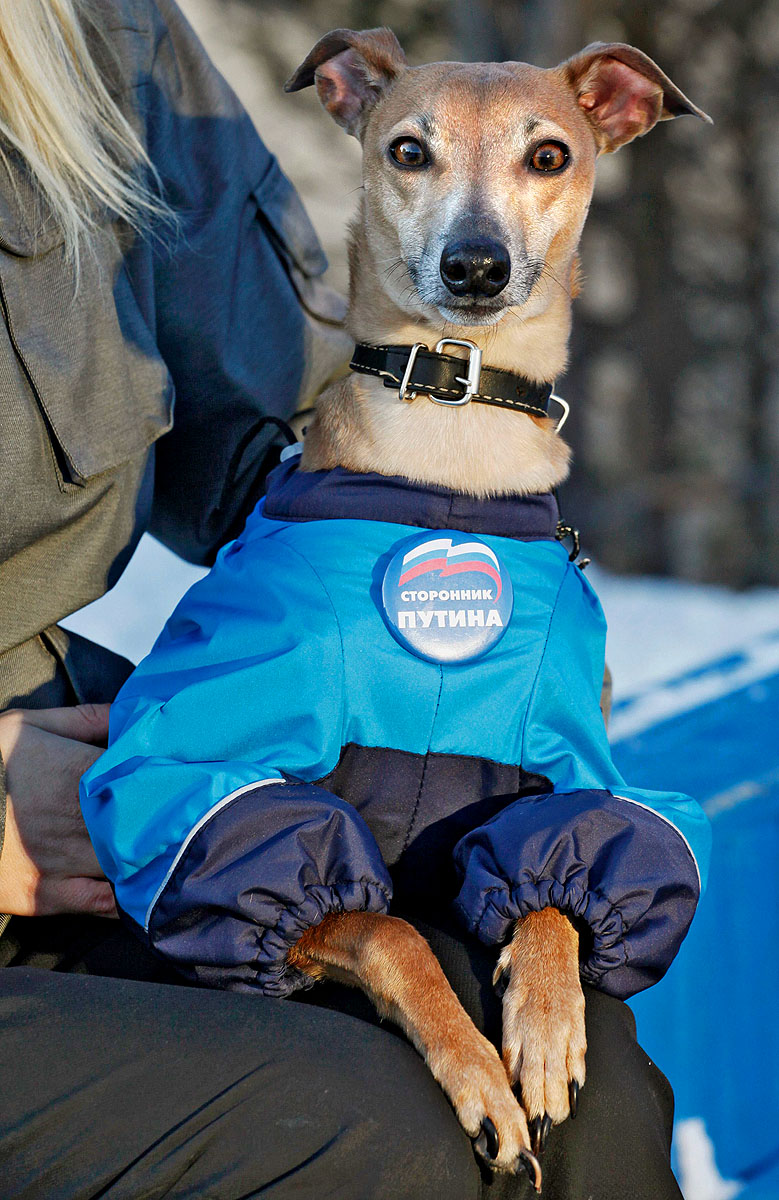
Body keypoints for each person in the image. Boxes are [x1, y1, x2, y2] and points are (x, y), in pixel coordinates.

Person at [0, 2, 684, 1197]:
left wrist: (462, 600)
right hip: (75, 828)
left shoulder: (98, 32)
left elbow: (269, 402)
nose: (476, 232)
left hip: (81, 788)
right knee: (369, 1115)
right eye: (415, 156)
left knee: (601, 1093)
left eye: (537, 162)